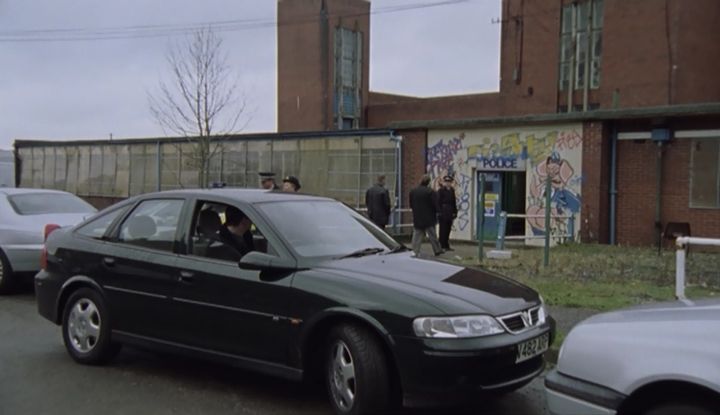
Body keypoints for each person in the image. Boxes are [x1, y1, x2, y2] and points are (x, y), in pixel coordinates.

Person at [409, 175, 443, 256]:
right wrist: (438, 212)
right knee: (432, 235)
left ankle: (414, 250)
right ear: (428, 182)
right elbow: (435, 204)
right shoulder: (430, 192)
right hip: (429, 217)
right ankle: (437, 250)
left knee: (417, 236)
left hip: (418, 217)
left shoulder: (413, 191)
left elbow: (411, 204)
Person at [437, 175, 458, 251]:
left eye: (449, 182)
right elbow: (438, 202)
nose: (448, 183)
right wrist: (439, 212)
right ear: (444, 182)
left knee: (448, 229)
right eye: (446, 182)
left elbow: (453, 202)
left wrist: (455, 212)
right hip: (443, 211)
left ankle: (446, 245)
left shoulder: (452, 190)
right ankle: (442, 245)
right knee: (443, 229)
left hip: (450, 211)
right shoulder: (441, 191)